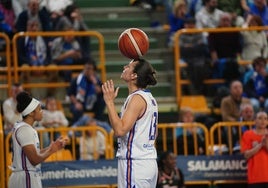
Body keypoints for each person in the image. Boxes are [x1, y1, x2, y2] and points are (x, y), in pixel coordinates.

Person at [102, 58, 158, 188]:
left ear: (134, 76)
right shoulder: (149, 97)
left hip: (135, 164)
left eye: (128, 66)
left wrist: (109, 102)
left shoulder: (136, 98)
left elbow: (120, 130)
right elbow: (155, 133)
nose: (124, 67)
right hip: (148, 163)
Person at [8, 91, 68, 188]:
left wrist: (52, 147)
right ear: (31, 113)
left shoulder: (26, 128)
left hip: (27, 176)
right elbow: (34, 159)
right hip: (25, 177)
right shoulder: (24, 130)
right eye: (40, 109)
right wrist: (51, 150)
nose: (42, 111)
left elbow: (35, 153)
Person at [67, 58, 105, 123]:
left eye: (90, 69)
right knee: (76, 109)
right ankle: (78, 128)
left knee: (102, 102)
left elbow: (101, 92)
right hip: (80, 102)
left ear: (93, 71)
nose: (87, 71)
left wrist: (95, 83)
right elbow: (70, 94)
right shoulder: (77, 79)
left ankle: (97, 123)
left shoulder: (96, 80)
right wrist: (76, 103)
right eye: (86, 68)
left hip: (92, 102)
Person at [241, 111, 268, 187]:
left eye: (265, 119)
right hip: (254, 177)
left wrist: (265, 144)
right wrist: (260, 146)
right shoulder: (247, 134)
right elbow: (246, 155)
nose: (263, 121)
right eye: (260, 118)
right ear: (255, 120)